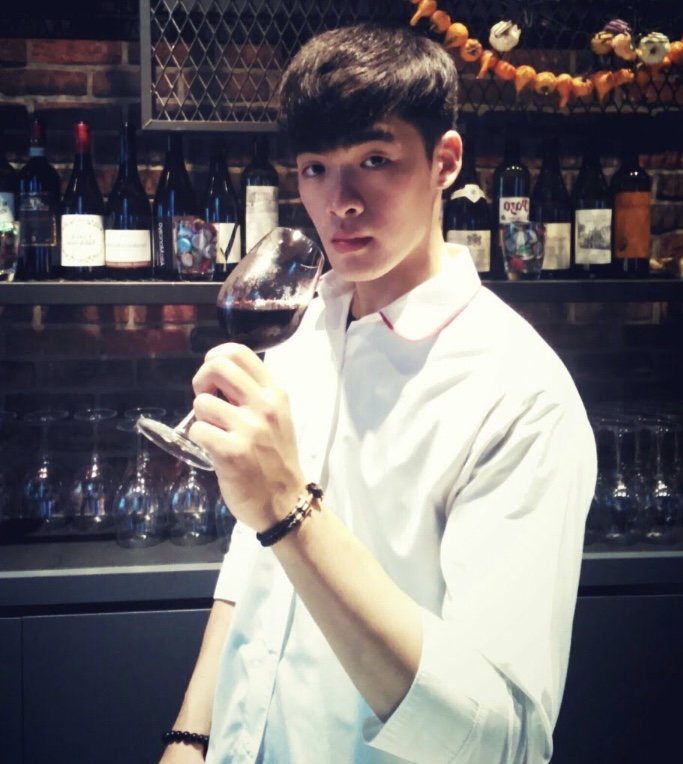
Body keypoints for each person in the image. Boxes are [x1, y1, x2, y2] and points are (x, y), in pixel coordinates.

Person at [158, 22, 597, 764]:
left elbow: (502, 739)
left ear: (443, 162)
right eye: (315, 168)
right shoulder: (299, 332)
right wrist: (189, 737)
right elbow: (253, 559)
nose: (340, 201)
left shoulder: (521, 395)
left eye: (373, 160)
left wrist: (289, 509)